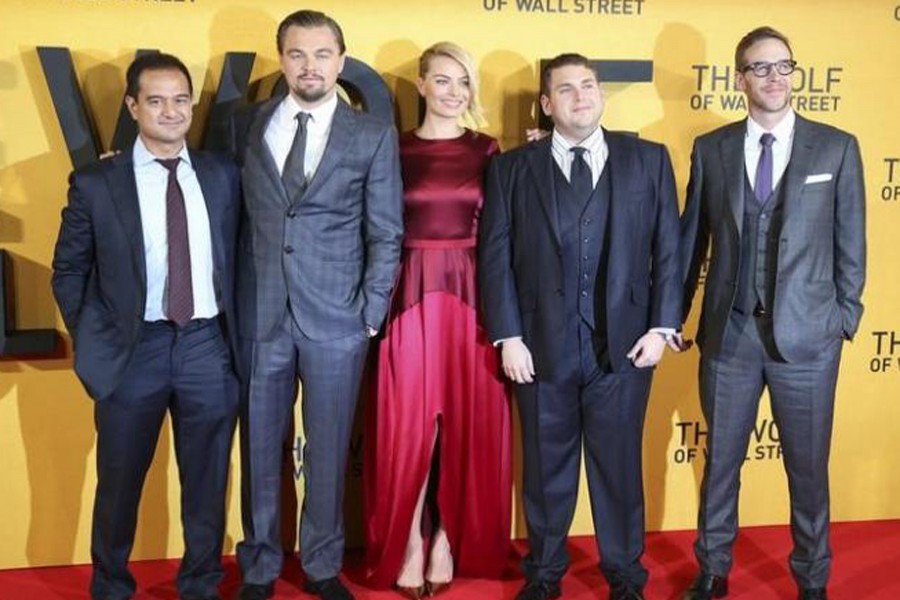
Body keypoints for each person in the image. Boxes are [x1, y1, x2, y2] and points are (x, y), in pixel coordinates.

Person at [478, 53, 682, 600]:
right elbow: (495, 257)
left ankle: (625, 576)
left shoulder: (648, 160)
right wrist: (509, 336)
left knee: (618, 471)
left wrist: (662, 328)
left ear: (601, 94)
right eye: (565, 89)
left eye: (588, 85)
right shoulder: (511, 169)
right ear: (547, 105)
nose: (580, 96)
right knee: (546, 473)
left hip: (625, 349)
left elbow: (669, 251)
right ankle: (544, 575)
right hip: (539, 350)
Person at [679, 26, 865, 600]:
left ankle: (812, 580)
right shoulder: (711, 148)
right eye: (760, 68)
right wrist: (675, 318)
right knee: (721, 467)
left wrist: (844, 318)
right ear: (741, 79)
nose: (775, 77)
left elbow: (850, 244)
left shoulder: (836, 147)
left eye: (783, 66)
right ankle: (712, 570)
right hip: (730, 339)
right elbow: (693, 246)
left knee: (808, 472)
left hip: (808, 342)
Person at [51, 52, 241, 600]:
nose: (170, 111)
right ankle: (111, 586)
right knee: (119, 484)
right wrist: (95, 338)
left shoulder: (222, 173)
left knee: (207, 484)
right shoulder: (96, 182)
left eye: (180, 99)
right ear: (133, 106)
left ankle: (201, 584)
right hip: (135, 350)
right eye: (155, 100)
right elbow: (69, 270)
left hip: (207, 345)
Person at [228, 9, 403, 600]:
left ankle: (322, 566)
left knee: (327, 450)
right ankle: (258, 566)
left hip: (339, 322)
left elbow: (386, 232)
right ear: (282, 60)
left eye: (322, 54)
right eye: (298, 54)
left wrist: (369, 315)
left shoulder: (371, 134)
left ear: (341, 60)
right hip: (261, 315)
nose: (310, 66)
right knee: (259, 448)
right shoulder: (245, 126)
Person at [363, 42, 511, 599]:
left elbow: (503, 232)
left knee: (469, 423)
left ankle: (448, 537)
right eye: (442, 81)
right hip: (408, 293)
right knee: (409, 428)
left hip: (473, 293)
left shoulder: (488, 149)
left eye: (463, 83)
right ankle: (407, 540)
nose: (453, 93)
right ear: (421, 86)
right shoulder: (391, 149)